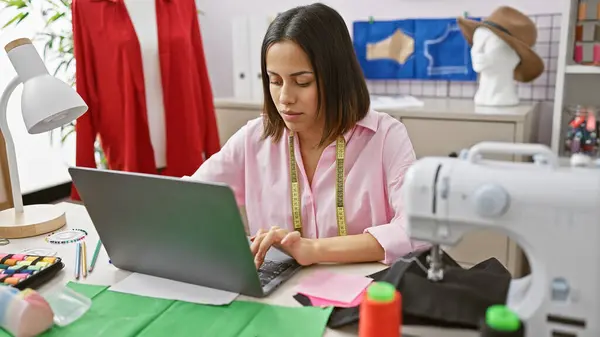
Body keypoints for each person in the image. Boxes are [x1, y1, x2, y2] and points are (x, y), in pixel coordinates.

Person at [188, 3, 428, 268]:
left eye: (302, 82)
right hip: (281, 294)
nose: (285, 98)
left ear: (336, 77)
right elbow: (188, 199)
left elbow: (418, 230)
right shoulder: (254, 138)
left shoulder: (385, 138)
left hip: (361, 294)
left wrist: (313, 249)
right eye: (275, 81)